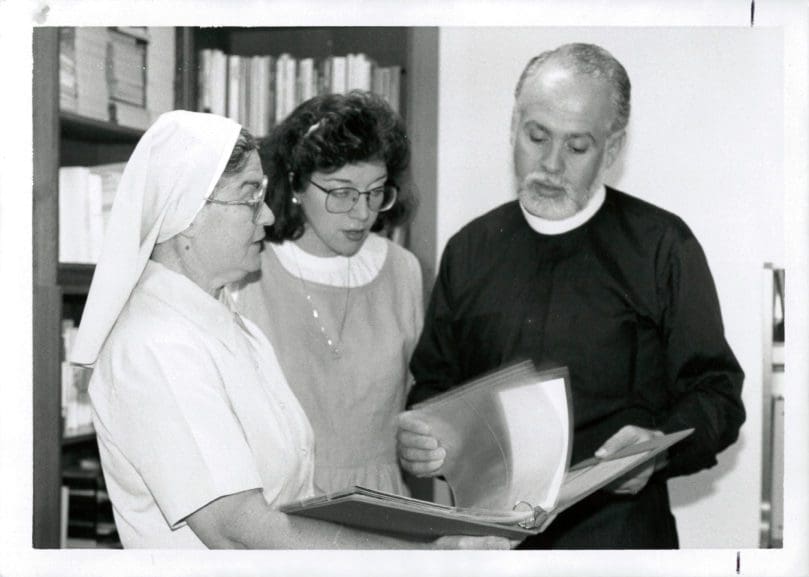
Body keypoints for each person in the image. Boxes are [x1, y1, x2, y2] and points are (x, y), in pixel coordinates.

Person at [69, 110, 508, 550]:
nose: (267, 216)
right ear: (186, 214)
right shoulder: (154, 347)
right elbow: (237, 530)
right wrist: (424, 557)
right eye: (249, 197)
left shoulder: (233, 327)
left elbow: (294, 501)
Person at [396, 43, 746, 549]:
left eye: (577, 147)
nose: (551, 164)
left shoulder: (661, 246)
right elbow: (432, 386)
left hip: (619, 543)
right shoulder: (469, 249)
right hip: (489, 545)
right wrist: (423, 439)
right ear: (512, 126)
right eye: (536, 136)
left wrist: (658, 451)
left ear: (613, 148)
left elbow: (717, 394)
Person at [234, 91, 422, 496]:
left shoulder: (404, 270)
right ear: (296, 184)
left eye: (376, 192)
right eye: (341, 192)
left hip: (384, 504)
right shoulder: (249, 270)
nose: (362, 212)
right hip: (284, 506)